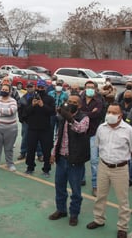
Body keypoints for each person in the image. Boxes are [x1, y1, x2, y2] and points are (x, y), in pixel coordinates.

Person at [86, 103, 132, 238]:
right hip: (103, 166)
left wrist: (120, 160)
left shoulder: (129, 131)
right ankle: (99, 219)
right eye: (109, 112)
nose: (110, 115)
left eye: (114, 113)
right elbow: (98, 145)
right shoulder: (101, 128)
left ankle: (122, 227)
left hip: (120, 169)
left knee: (123, 200)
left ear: (120, 115)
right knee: (100, 196)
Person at [48, 93, 90, 226]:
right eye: (69, 101)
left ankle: (74, 214)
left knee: (76, 190)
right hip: (61, 158)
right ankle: (61, 210)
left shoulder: (84, 117)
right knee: (60, 187)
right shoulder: (62, 117)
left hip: (75, 160)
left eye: (75, 102)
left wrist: (70, 118)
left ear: (80, 105)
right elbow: (59, 135)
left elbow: (80, 129)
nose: (71, 104)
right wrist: (54, 153)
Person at [24, 79, 55, 176]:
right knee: (31, 149)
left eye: (42, 87)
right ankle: (30, 167)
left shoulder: (50, 99)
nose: (40, 89)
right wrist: (32, 105)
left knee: (46, 150)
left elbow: (52, 112)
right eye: (39, 87)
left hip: (45, 129)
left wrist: (43, 106)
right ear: (36, 87)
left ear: (45, 87)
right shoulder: (31, 99)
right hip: (32, 129)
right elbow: (25, 113)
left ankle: (46, 170)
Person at [80, 80, 103, 196]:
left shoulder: (98, 102)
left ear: (95, 89)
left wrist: (84, 113)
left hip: (93, 134)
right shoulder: (80, 101)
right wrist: (90, 113)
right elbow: (78, 114)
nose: (89, 89)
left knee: (94, 161)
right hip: (82, 134)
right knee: (81, 159)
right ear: (84, 89)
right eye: (87, 87)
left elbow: (97, 115)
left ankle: (95, 186)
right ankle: (81, 179)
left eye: (92, 87)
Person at [0, 84, 18, 171]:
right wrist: (5, 111)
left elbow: (12, 111)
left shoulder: (13, 101)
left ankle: (10, 164)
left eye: (6, 90)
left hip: (11, 128)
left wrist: (0, 110)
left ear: (9, 91)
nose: (4, 91)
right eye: (3, 89)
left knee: (9, 148)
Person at [17, 83, 43, 160]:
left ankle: (40, 154)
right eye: (28, 87)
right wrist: (21, 118)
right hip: (26, 121)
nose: (29, 88)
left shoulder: (38, 97)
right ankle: (23, 152)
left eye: (31, 87)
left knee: (38, 137)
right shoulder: (22, 98)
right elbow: (20, 110)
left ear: (34, 87)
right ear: (26, 88)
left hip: (36, 121)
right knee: (25, 137)